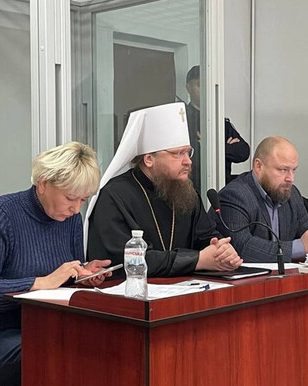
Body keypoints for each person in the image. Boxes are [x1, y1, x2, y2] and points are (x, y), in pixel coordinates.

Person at [0, 142, 112, 386]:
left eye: (83, 200)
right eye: (70, 198)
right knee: (63, 356)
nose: (76, 208)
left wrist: (81, 275)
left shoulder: (69, 219)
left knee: (104, 348)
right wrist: (40, 283)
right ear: (43, 184)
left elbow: (62, 282)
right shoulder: (0, 214)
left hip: (48, 328)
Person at [85, 102, 242, 277]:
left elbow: (206, 236)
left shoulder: (185, 192)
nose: (188, 161)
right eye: (177, 154)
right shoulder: (115, 196)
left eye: (188, 153)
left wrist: (222, 249)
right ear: (149, 159)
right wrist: (197, 260)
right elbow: (124, 260)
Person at [212, 136, 308, 263]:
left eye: (293, 170)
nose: (290, 178)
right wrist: (300, 247)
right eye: (283, 170)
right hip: (246, 279)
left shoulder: (291, 193)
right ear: (258, 166)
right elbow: (241, 246)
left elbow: (306, 227)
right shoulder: (235, 195)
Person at [184, 65, 250, 191]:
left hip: (222, 188)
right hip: (193, 189)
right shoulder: (183, 119)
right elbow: (192, 155)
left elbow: (243, 152)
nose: (205, 89)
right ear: (188, 88)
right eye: (199, 84)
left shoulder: (219, 121)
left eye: (207, 84)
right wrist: (226, 148)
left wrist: (210, 146)